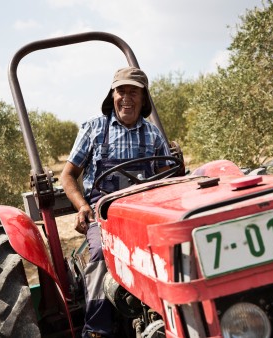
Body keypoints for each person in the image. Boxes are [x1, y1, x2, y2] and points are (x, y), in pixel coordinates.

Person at [60, 66, 172, 338]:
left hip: (144, 211)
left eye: (134, 92)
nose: (127, 98)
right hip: (104, 212)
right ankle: (97, 329)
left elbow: (166, 179)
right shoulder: (94, 129)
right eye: (121, 91)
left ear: (144, 99)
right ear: (112, 95)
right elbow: (68, 176)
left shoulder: (153, 135)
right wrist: (82, 206)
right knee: (100, 253)